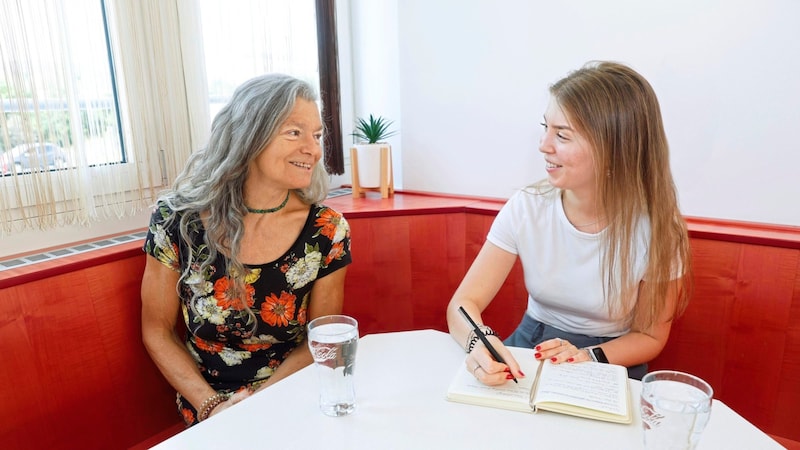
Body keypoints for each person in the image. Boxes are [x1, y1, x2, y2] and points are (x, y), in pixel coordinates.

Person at [446, 61, 692, 384]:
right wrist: (479, 340)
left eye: (561, 135)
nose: (543, 145)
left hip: (611, 357)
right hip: (532, 344)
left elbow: (649, 337)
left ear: (613, 150)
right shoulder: (526, 207)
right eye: (545, 127)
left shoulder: (657, 229)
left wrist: (588, 356)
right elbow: (462, 304)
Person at [140, 74, 352, 426]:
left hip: (291, 397)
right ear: (250, 136)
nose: (313, 149)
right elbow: (157, 331)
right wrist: (214, 408)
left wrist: (257, 406)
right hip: (208, 407)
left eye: (316, 135)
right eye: (294, 132)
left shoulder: (326, 230)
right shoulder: (176, 220)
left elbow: (319, 339)